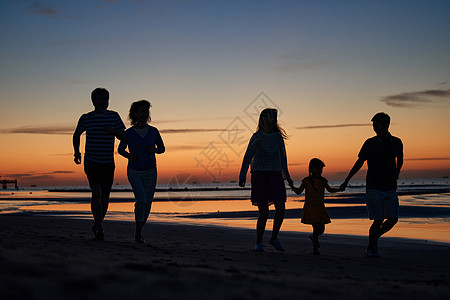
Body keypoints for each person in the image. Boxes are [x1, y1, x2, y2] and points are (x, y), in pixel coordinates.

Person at [340, 112, 403, 257]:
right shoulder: (370, 143)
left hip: (390, 187)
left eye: (377, 125)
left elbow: (400, 157)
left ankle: (374, 240)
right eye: (373, 126)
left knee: (393, 219)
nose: (374, 128)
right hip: (373, 187)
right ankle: (371, 248)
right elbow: (359, 162)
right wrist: (347, 180)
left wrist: (398, 170)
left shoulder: (397, 142)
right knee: (378, 219)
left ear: (386, 125)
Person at [73, 88, 126, 240]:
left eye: (106, 98)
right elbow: (77, 134)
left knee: (105, 197)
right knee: (96, 192)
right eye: (100, 99)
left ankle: (97, 224)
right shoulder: (86, 118)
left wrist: (113, 131)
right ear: (93, 101)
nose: (103, 101)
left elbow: (124, 136)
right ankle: (99, 226)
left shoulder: (114, 116)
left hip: (108, 163)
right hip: (91, 161)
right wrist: (76, 152)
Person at [239, 108, 294, 252]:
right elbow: (247, 157)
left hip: (275, 175)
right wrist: (242, 175)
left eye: (276, 117)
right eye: (272, 117)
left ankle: (274, 238)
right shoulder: (257, 137)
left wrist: (287, 177)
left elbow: (283, 159)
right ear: (263, 119)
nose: (275, 120)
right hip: (260, 176)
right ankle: (258, 242)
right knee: (264, 212)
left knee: (281, 208)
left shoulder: (277, 137)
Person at [118, 100, 165, 243]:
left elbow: (162, 148)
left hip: (150, 171)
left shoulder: (153, 131)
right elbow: (120, 150)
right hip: (134, 171)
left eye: (146, 111)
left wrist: (155, 150)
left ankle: (139, 231)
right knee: (141, 201)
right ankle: (138, 233)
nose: (145, 114)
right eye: (142, 111)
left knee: (148, 203)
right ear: (135, 114)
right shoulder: (129, 133)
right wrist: (129, 156)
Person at [291, 158, 342, 255]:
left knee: (321, 229)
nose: (320, 171)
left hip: (320, 206)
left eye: (321, 169)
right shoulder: (306, 180)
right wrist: (292, 187)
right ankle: (315, 249)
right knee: (316, 227)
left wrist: (339, 189)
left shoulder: (323, 181)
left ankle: (313, 238)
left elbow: (330, 190)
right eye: (317, 168)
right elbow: (299, 191)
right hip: (310, 206)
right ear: (311, 169)